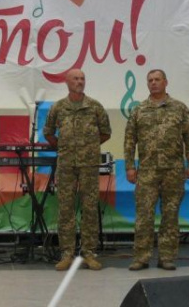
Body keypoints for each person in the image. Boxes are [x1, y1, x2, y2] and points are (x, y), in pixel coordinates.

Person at [124, 69, 189, 271]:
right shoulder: (139, 110)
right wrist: (130, 167)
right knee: (144, 216)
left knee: (170, 215)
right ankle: (141, 257)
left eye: (157, 79)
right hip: (147, 172)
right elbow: (130, 141)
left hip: (174, 171)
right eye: (150, 80)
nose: (154, 83)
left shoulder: (179, 108)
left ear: (166, 82)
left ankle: (167, 257)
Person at [43, 69, 111, 271]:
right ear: (67, 82)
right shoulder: (58, 107)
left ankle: (89, 253)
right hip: (66, 165)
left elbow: (105, 132)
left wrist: (88, 148)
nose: (80, 82)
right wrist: (64, 147)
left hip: (89, 165)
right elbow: (48, 132)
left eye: (82, 78)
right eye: (76, 79)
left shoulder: (94, 106)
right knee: (66, 208)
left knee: (90, 208)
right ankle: (67, 254)